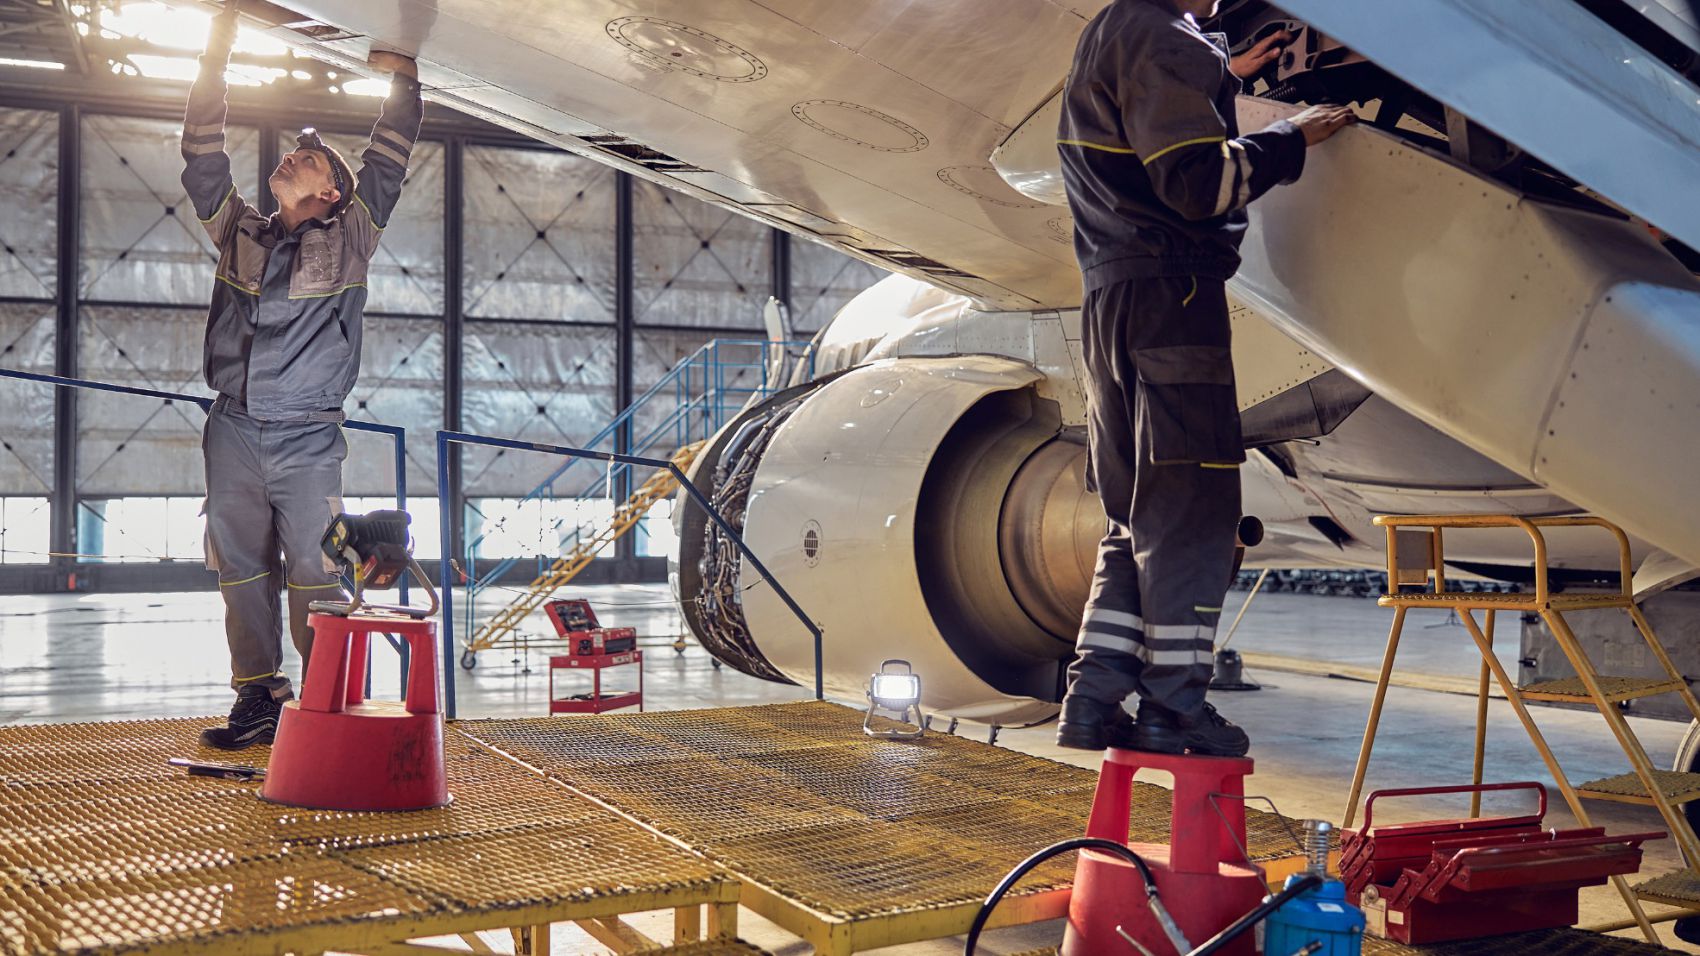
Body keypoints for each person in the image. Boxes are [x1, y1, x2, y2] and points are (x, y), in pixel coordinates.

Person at [1053, 0, 1354, 754]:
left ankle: (1092, 699)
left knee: (1135, 517)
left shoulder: (1112, 31)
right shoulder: (1164, 40)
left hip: (1111, 304)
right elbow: (1198, 184)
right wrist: (1292, 137)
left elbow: (1140, 124)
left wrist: (1222, 70)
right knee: (1193, 516)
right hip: (1176, 301)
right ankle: (1177, 709)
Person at [182, 2, 423, 749]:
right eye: (293, 154)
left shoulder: (351, 238)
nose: (289, 158)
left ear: (332, 193)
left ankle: (325, 707)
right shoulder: (239, 232)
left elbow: (388, 161)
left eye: (307, 161)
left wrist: (403, 80)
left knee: (317, 573)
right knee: (239, 569)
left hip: (308, 439)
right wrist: (216, 54)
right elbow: (201, 155)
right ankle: (259, 697)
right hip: (232, 429)